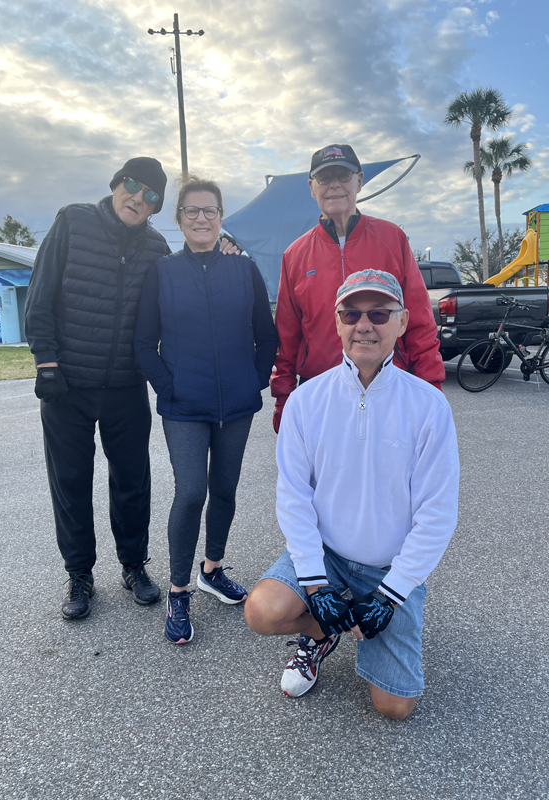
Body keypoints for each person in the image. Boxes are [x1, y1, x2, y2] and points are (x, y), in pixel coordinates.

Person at [26, 158, 239, 621]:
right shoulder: (72, 222)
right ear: (116, 184)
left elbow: (182, 295)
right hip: (67, 386)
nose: (139, 197)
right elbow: (39, 298)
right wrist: (46, 363)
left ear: (158, 207)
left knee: (132, 482)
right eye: (132, 185)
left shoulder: (157, 247)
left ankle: (133, 565)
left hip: (126, 386)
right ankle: (79, 574)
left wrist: (222, 259)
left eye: (151, 195)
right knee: (71, 483)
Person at [245, 269, 459, 719]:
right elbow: (294, 498)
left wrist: (391, 594)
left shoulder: (428, 405)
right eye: (351, 314)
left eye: (379, 313)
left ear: (402, 322)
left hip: (387, 567)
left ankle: (378, 615)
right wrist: (316, 584)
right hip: (328, 554)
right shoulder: (306, 401)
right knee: (262, 611)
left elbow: (437, 514)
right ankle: (322, 631)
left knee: (394, 708)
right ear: (336, 322)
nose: (365, 325)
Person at [134, 175, 278, 645]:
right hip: (184, 406)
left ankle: (212, 569)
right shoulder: (162, 272)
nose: (201, 218)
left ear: (220, 217)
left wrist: (254, 379)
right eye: (192, 211)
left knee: (226, 489)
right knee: (192, 491)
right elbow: (144, 343)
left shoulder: (244, 270)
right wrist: (169, 388)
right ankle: (179, 590)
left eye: (209, 211)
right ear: (179, 219)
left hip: (236, 404)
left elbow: (267, 335)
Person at [271, 143, 445, 433]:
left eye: (343, 175)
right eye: (324, 178)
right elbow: (286, 337)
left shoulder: (393, 239)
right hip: (320, 392)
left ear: (359, 181)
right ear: (312, 187)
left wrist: (431, 389)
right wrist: (283, 400)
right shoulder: (294, 255)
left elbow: (420, 323)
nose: (334, 185)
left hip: (388, 388)